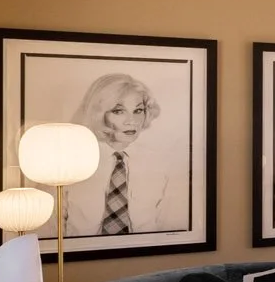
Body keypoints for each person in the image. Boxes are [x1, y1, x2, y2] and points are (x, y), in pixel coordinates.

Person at [61, 71, 188, 236]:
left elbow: (172, 231)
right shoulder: (67, 162)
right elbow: (48, 232)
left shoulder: (163, 165)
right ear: (98, 114)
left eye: (138, 110)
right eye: (118, 111)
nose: (132, 121)